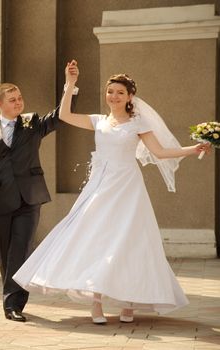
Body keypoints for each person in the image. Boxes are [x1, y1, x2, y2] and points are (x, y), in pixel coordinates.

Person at [13, 61, 211, 324]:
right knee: (96, 238)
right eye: (110, 92)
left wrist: (192, 149)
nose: (113, 96)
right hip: (100, 187)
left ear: (130, 97)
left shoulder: (138, 124)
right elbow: (64, 115)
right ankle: (96, 302)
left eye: (119, 92)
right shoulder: (99, 121)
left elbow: (160, 152)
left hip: (128, 187)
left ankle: (129, 302)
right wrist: (70, 84)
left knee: (129, 241)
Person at [0, 77, 78, 322]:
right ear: (1, 104)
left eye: (20, 98)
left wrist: (70, 85)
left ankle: (13, 305)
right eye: (12, 100)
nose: (18, 103)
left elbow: (60, 117)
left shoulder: (33, 123)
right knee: (4, 254)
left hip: (29, 201)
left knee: (20, 250)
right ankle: (11, 297)